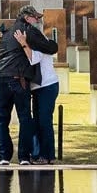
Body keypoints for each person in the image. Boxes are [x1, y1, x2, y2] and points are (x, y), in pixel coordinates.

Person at [0, 5, 51, 165]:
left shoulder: (6, 34)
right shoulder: (28, 30)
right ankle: (24, 156)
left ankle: (3, 156)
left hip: (0, 77)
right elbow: (51, 48)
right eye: (35, 17)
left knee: (2, 118)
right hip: (18, 79)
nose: (38, 20)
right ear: (27, 17)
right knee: (25, 117)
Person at [14, 17, 60, 164]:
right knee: (39, 121)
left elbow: (34, 59)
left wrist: (23, 44)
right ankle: (42, 154)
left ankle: (47, 156)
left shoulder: (37, 39)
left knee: (44, 121)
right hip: (38, 88)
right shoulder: (35, 38)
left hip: (47, 86)